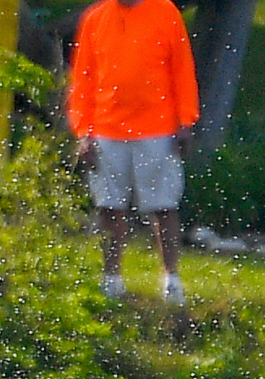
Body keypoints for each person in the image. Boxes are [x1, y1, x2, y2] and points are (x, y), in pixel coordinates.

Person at [66, 0, 199, 305]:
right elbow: (82, 79)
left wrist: (186, 120)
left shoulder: (165, 12)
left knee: (164, 207)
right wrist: (83, 131)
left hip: (158, 128)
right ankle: (111, 279)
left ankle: (171, 279)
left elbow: (182, 68)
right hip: (105, 129)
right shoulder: (94, 19)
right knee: (109, 208)